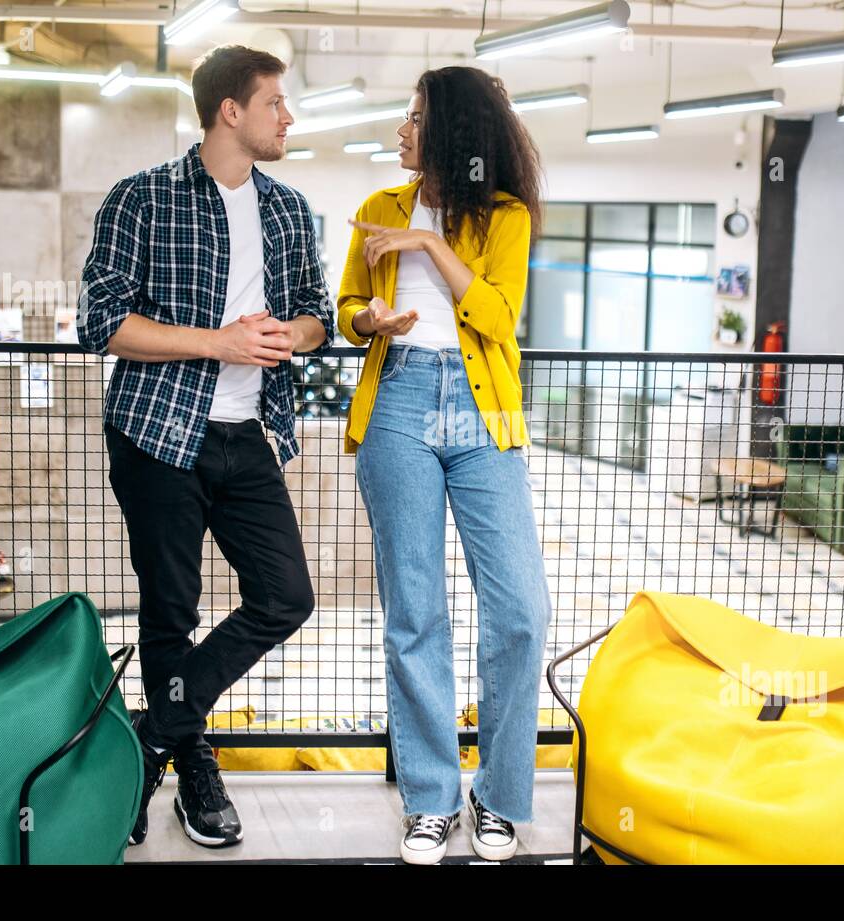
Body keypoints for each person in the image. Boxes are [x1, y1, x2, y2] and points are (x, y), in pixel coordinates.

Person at [77, 45, 332, 849]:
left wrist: (290, 332)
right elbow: (103, 325)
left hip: (247, 434)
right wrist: (216, 344)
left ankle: (156, 733)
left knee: (286, 595)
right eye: (275, 104)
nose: (288, 117)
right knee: (170, 612)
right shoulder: (141, 199)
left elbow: (317, 316)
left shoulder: (289, 209)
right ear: (231, 110)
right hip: (157, 433)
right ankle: (195, 770)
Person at [337, 65, 553, 864]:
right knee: (415, 612)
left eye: (415, 116)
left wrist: (430, 242)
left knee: (520, 609)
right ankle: (430, 799)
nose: (401, 128)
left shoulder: (502, 217)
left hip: (481, 405)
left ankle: (497, 798)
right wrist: (373, 319)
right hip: (396, 402)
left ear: (453, 132)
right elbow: (346, 305)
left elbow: (497, 315)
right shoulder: (375, 210)